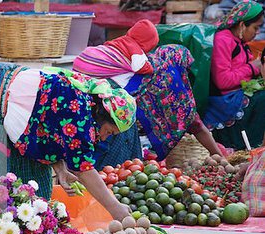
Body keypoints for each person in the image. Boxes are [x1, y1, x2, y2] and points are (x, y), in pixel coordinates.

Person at [0, 62, 137, 221]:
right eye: (108, 131)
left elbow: (45, 129)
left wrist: (60, 170)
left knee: (15, 184)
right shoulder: (79, 114)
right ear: (103, 115)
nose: (104, 138)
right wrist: (114, 208)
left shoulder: (87, 101)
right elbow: (83, 168)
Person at [73, 19, 224, 162]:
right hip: (114, 121)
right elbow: (196, 124)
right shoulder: (168, 80)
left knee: (97, 159)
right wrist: (220, 157)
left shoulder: (132, 58)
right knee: (113, 162)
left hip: (94, 111)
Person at [205, 0, 265, 150]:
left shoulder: (238, 41)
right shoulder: (223, 40)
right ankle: (253, 148)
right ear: (242, 25)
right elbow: (222, 81)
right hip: (224, 102)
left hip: (235, 94)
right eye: (255, 28)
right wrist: (252, 68)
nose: (257, 33)